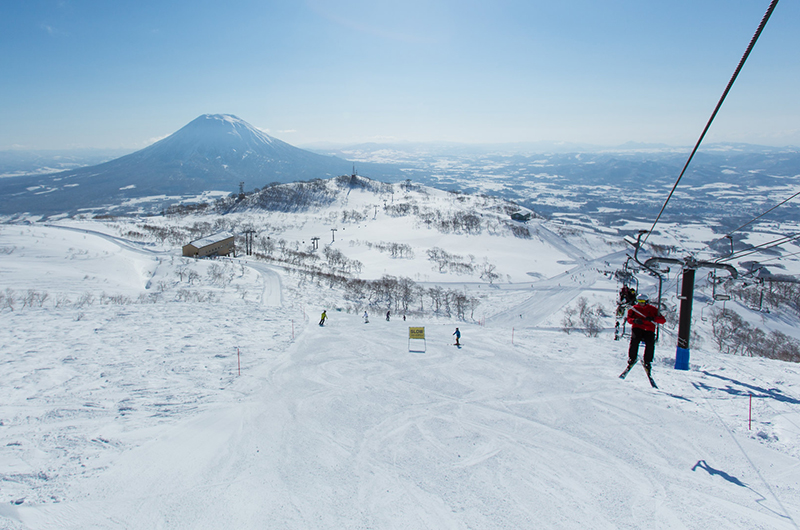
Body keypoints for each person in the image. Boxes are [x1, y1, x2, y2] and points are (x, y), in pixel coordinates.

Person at [625, 294, 665, 372]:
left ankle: (647, 361)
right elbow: (629, 319)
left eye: (643, 302)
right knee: (634, 341)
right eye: (639, 301)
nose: (641, 303)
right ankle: (632, 358)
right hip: (638, 328)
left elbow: (662, 320)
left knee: (650, 344)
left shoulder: (653, 309)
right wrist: (634, 320)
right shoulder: (633, 309)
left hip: (649, 329)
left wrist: (653, 318)